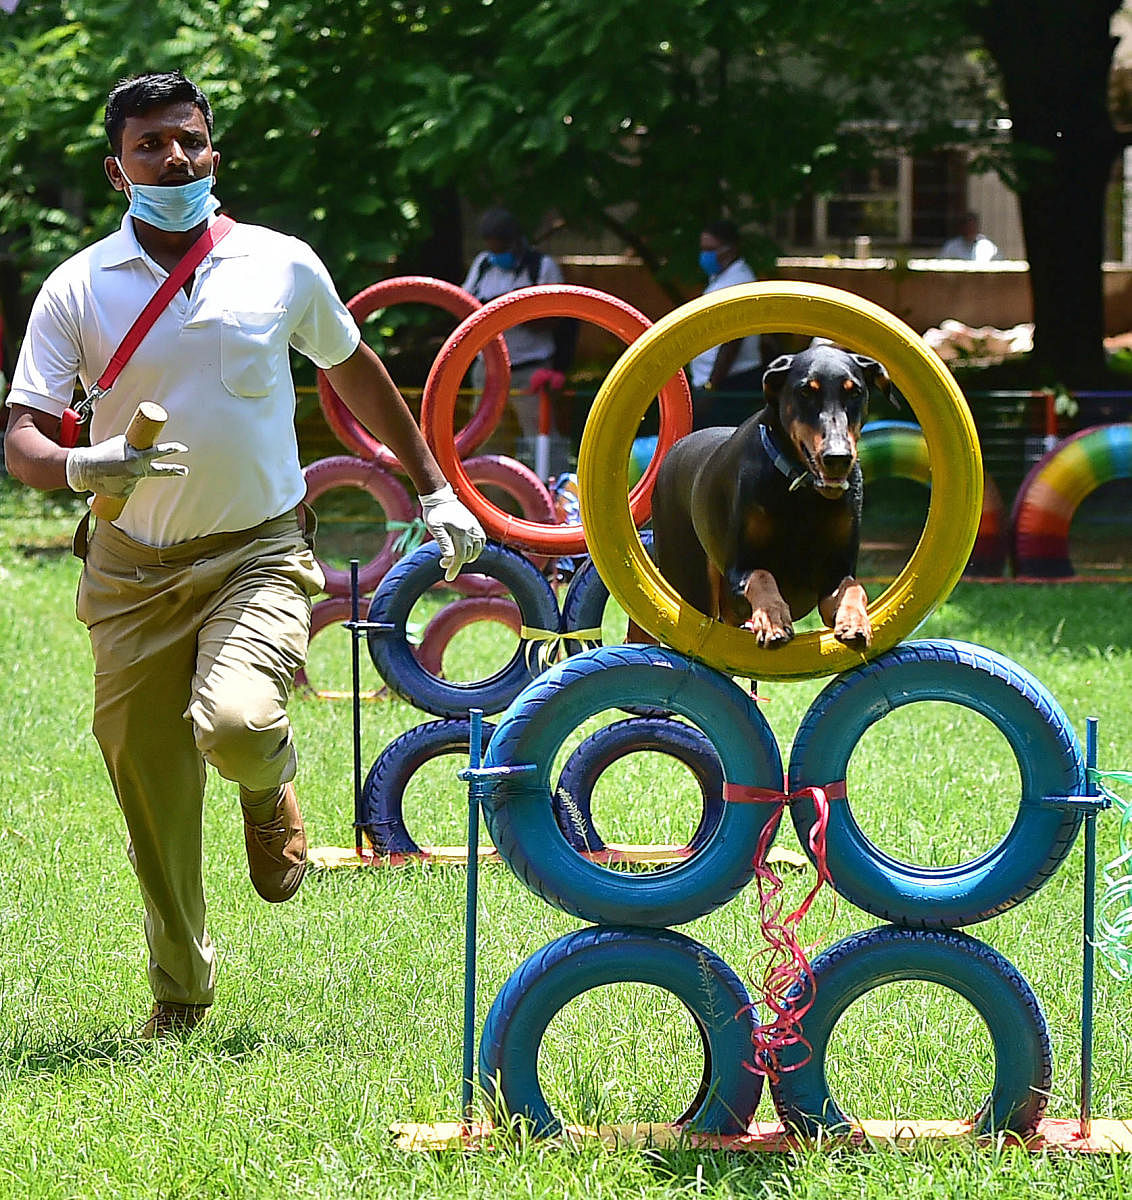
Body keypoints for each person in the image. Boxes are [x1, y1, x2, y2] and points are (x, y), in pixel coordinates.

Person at [3, 72, 485, 1039]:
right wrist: (83, 460)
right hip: (131, 570)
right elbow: (20, 437)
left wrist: (435, 485)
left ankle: (267, 787)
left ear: (213, 151)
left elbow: (355, 366)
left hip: (258, 550)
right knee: (154, 798)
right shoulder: (77, 286)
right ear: (117, 168)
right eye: (151, 146)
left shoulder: (280, 263)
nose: (174, 159)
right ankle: (180, 996)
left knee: (233, 722)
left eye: (190, 140)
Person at [461, 207, 567, 471]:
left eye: (502, 248)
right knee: (485, 440)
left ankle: (552, 498)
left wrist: (512, 311)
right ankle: (490, 501)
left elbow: (556, 317)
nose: (497, 255)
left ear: (516, 241)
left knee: (540, 440)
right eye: (492, 248)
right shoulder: (484, 264)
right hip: (487, 371)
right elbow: (465, 304)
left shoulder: (541, 268)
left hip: (530, 369)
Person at [688, 219, 766, 429]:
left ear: (730, 249)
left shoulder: (737, 282)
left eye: (710, 249)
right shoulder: (721, 278)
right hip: (716, 382)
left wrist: (712, 387)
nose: (705, 255)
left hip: (729, 382)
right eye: (703, 249)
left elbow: (733, 339)